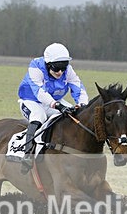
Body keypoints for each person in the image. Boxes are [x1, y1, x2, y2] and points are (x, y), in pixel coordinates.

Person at [17, 42, 89, 172]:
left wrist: (82, 105)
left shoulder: (68, 71)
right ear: (48, 64)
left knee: (73, 115)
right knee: (39, 116)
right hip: (31, 101)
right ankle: (27, 154)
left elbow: (79, 88)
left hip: (54, 101)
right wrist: (57, 105)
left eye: (63, 67)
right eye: (56, 68)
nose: (60, 72)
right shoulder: (36, 67)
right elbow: (40, 93)